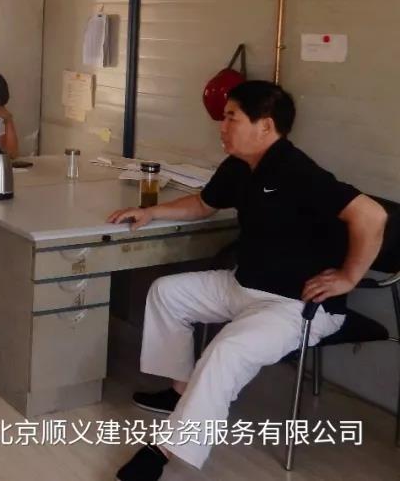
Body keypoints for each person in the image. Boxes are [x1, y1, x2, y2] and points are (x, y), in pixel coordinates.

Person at [107, 81, 386, 481]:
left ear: (265, 125)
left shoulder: (296, 170)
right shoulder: (239, 165)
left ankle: (163, 450)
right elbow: (203, 204)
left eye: (231, 118)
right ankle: (182, 393)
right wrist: (152, 212)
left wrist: (348, 277)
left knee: (227, 351)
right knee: (167, 292)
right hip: (243, 286)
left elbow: (372, 216)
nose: (222, 127)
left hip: (295, 305)